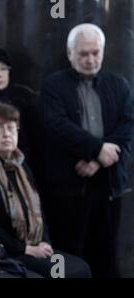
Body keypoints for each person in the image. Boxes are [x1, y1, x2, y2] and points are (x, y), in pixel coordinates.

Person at [41, 23, 134, 277]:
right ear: (70, 53)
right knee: (71, 253)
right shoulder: (53, 85)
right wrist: (97, 149)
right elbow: (56, 126)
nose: (90, 59)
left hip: (109, 183)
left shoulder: (119, 84)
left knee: (106, 252)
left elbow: (127, 125)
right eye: (83, 53)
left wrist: (98, 159)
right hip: (69, 184)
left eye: (95, 52)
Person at [0, 102, 92, 278]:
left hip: (35, 245)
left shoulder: (22, 166)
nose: (6, 134)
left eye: (11, 128)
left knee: (81, 268)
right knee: (61, 273)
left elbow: (39, 210)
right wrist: (27, 249)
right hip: (8, 253)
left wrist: (44, 242)